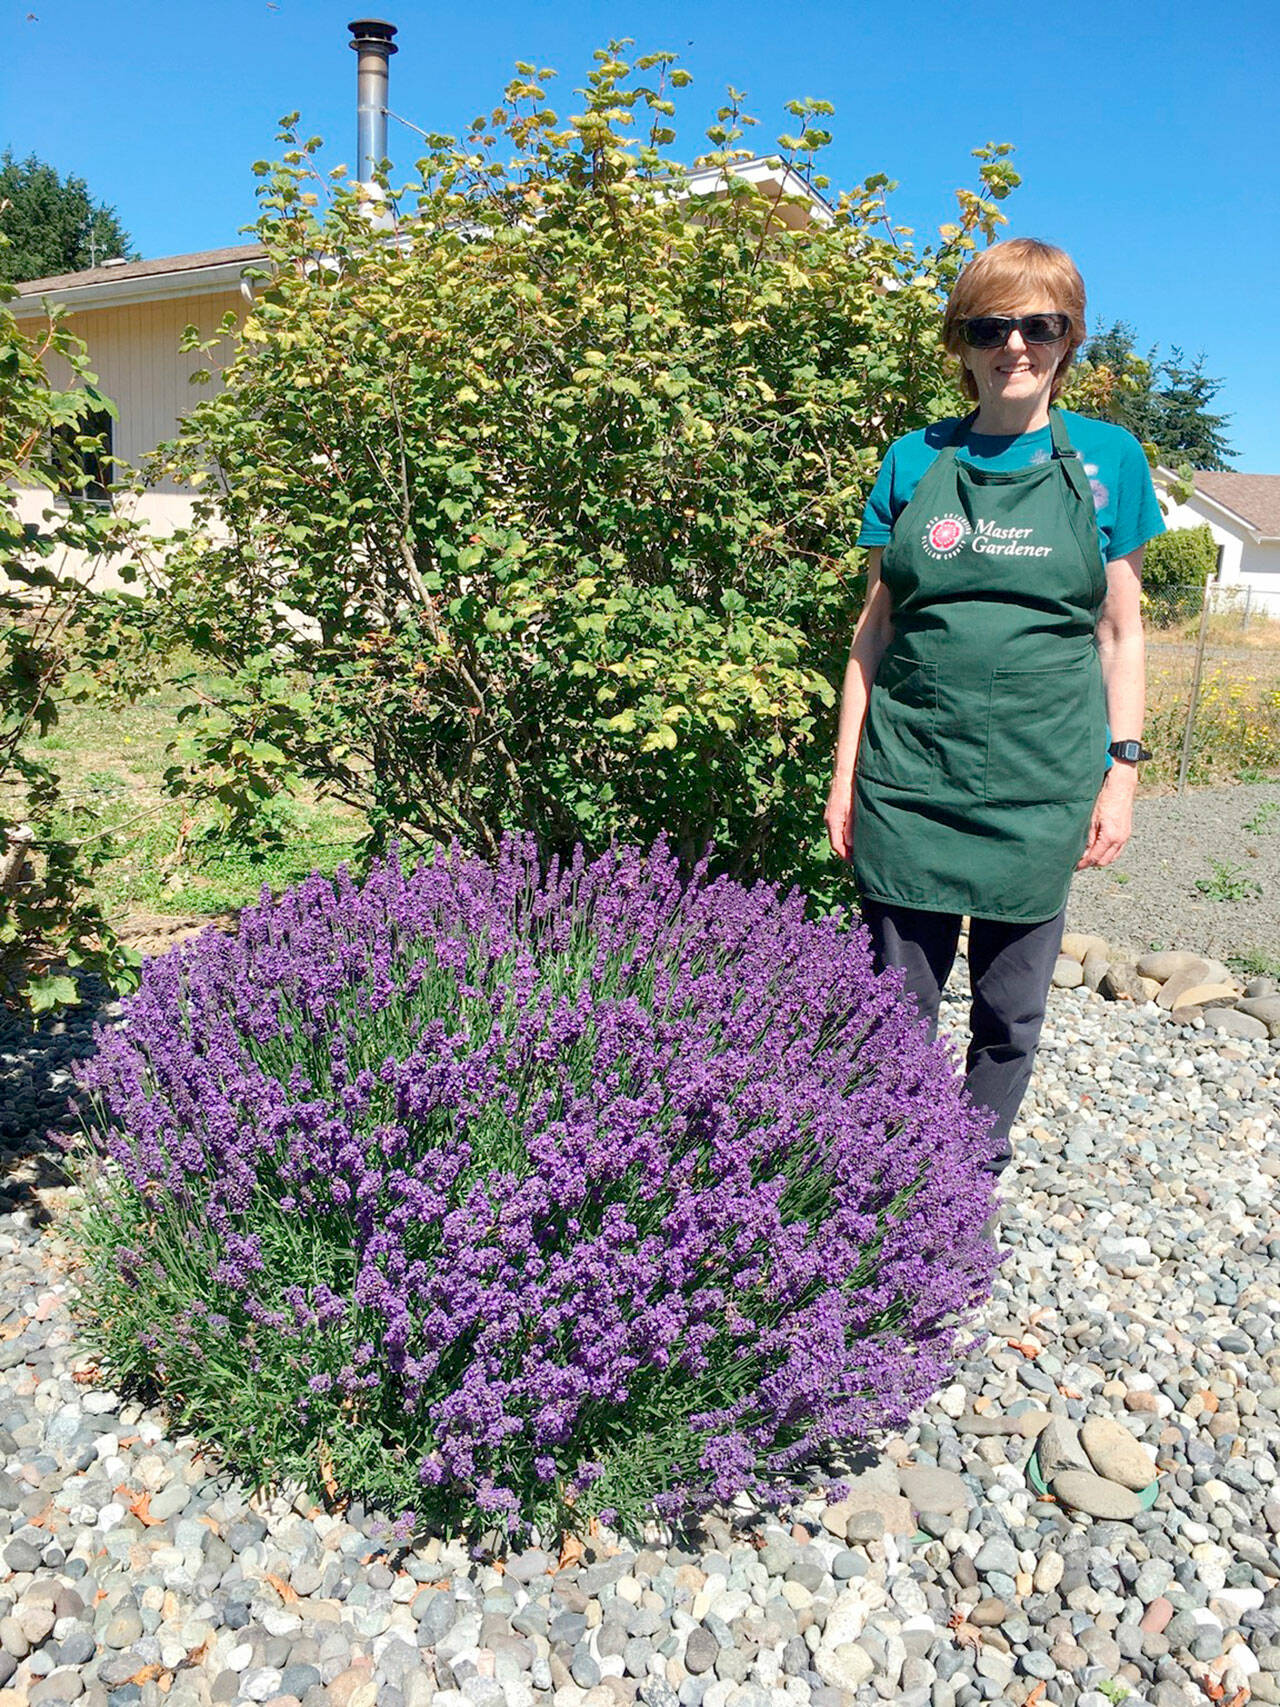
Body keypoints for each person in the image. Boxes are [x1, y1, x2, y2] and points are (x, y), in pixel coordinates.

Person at [824, 237, 1163, 1198]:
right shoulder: (913, 459)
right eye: (991, 326)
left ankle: (963, 1181)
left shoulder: (1107, 460)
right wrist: (845, 771)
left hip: (1040, 783)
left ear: (1068, 340)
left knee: (1009, 1015)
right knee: (892, 1010)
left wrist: (1122, 772)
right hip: (910, 779)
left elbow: (1122, 634)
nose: (1015, 344)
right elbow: (873, 632)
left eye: (1039, 325)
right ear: (963, 345)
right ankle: (879, 1182)